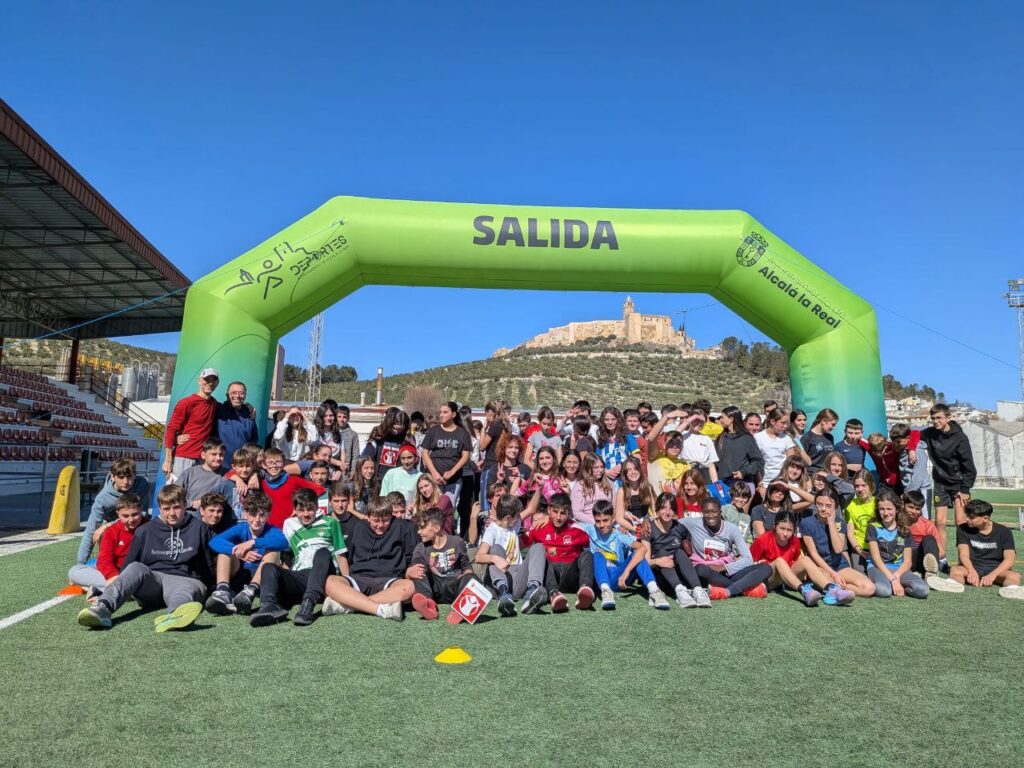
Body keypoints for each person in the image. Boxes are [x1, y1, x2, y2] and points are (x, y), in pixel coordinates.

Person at [76, 484, 212, 632]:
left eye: (176, 507)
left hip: (185, 579)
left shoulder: (199, 527)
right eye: (166, 509)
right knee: (135, 567)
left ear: (185, 505)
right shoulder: (145, 531)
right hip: (153, 582)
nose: (172, 513)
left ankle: (175, 615)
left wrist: (216, 590)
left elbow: (210, 563)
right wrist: (115, 589)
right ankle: (103, 608)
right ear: (160, 509)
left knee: (184, 592)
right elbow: (128, 568)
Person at [321, 497, 422, 621]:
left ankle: (349, 606)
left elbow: (410, 556)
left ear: (391, 516)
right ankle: (379, 609)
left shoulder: (404, 527)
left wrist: (410, 570)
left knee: (410, 587)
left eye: (386, 520)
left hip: (389, 580)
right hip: (358, 579)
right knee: (328, 581)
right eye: (376, 521)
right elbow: (350, 557)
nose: (380, 525)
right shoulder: (359, 527)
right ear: (367, 517)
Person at [204, 489, 289, 615]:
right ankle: (223, 591)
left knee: (273, 552)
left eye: (262, 515)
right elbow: (214, 542)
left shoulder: (272, 530)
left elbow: (283, 542)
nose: (257, 519)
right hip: (241, 572)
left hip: (262, 576)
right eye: (253, 514)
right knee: (224, 553)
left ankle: (251, 591)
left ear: (268, 515)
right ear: (245, 514)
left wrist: (253, 543)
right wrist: (238, 551)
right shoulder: (241, 528)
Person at [750, 510, 856, 606]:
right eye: (782, 529)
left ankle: (831, 590)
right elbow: (749, 565)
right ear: (774, 526)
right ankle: (804, 591)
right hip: (770, 580)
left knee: (805, 559)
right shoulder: (762, 540)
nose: (785, 533)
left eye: (789, 530)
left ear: (794, 530)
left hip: (787, 580)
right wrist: (758, 564)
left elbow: (796, 560)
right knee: (780, 561)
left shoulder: (795, 541)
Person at [681, 498, 772, 600]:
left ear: (720, 512)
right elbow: (672, 523)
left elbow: (748, 559)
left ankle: (727, 591)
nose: (710, 515)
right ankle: (744, 588)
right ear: (702, 513)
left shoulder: (732, 529)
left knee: (766, 568)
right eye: (706, 512)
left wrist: (723, 567)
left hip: (727, 571)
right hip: (707, 571)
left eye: (714, 511)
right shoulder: (693, 523)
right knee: (700, 570)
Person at [580, 500, 664, 610]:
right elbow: (570, 523)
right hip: (599, 578)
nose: (602, 525)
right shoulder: (590, 529)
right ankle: (606, 591)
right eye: (598, 521)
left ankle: (654, 590)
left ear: (613, 518)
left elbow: (642, 548)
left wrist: (626, 572)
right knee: (597, 555)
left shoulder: (619, 535)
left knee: (638, 555)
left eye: (605, 520)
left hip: (619, 577)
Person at [520, 491, 595, 613]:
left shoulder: (578, 529)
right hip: (548, 575)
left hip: (570, 576)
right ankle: (554, 594)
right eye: (555, 512)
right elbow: (519, 545)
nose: (559, 517)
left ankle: (585, 589)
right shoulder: (538, 527)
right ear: (549, 510)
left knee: (587, 554)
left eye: (563, 513)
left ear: (569, 513)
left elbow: (591, 547)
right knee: (543, 557)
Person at [798, 489, 875, 598]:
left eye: (828, 505)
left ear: (835, 506)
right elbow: (813, 554)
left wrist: (831, 523)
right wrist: (833, 574)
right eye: (819, 504)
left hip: (839, 565)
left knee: (869, 588)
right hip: (820, 566)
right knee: (830, 583)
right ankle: (831, 588)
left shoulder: (840, 522)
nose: (823, 509)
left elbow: (838, 549)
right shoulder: (807, 522)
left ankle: (834, 588)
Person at [75, 458, 151, 566]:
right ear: (112, 477)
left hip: (136, 522)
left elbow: (143, 515)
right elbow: (90, 530)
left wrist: (106, 525)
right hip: (114, 527)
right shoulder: (103, 499)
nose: (126, 482)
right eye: (121, 477)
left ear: (135, 475)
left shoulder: (142, 484)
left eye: (129, 476)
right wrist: (80, 564)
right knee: (100, 533)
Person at [476, 493, 541, 617]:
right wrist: (495, 559)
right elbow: (479, 556)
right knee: (496, 548)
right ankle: (503, 594)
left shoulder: (513, 524)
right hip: (501, 577)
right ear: (508, 518)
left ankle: (532, 590)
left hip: (517, 579)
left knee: (538, 547)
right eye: (517, 516)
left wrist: (540, 487)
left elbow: (531, 509)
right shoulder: (492, 530)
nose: (519, 519)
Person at [68, 493, 146, 594]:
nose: (131, 520)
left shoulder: (149, 527)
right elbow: (105, 559)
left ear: (141, 510)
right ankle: (119, 588)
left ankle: (111, 589)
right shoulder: (111, 531)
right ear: (118, 514)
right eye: (125, 516)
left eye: (135, 514)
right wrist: (112, 576)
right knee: (74, 571)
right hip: (117, 573)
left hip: (140, 575)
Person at [408, 508, 475, 624]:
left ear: (437, 528)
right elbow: (415, 571)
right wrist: (410, 571)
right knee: (418, 569)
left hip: (454, 586)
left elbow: (467, 566)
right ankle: (428, 604)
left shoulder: (457, 542)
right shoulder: (421, 548)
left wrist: (467, 575)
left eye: (422, 528)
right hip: (434, 588)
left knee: (472, 577)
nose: (419, 531)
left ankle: (461, 608)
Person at [639, 493, 707, 608]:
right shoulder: (648, 529)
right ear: (657, 510)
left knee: (679, 552)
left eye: (671, 508)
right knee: (662, 552)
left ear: (675, 511)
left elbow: (690, 552)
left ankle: (698, 590)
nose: (667, 512)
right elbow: (644, 562)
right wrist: (658, 561)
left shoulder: (680, 528)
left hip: (679, 572)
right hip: (660, 575)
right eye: (663, 508)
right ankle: (680, 592)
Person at [920, 403, 977, 530]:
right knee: (939, 522)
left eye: (939, 418)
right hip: (940, 482)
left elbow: (969, 466)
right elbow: (912, 435)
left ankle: (964, 544)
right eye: (933, 418)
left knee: (960, 521)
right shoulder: (929, 433)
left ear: (948, 418)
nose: (935, 421)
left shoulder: (960, 438)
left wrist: (965, 489)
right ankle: (940, 545)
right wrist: (912, 450)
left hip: (959, 483)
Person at [950, 499, 1022, 598]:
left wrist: (993, 574)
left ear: (985, 518)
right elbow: (963, 554)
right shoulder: (962, 528)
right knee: (955, 570)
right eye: (967, 515)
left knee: (1014, 576)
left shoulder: (1004, 532)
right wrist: (971, 570)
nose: (967, 519)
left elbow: (1009, 559)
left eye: (971, 517)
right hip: (972, 566)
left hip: (997, 568)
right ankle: (953, 584)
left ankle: (1012, 590)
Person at [865, 491, 929, 599]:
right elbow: (876, 559)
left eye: (889, 509)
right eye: (882, 509)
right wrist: (893, 580)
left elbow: (908, 561)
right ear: (877, 510)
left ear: (897, 509)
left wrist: (897, 575)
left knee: (923, 590)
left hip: (898, 569)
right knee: (884, 591)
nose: (886, 513)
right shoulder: (873, 527)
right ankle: (883, 582)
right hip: (878, 567)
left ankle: (900, 585)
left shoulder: (905, 530)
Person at [163, 368, 220, 479]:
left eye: (213, 380)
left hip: (202, 460)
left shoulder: (214, 404)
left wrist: (248, 407)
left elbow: (231, 407)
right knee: (178, 490)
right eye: (207, 379)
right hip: (183, 457)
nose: (210, 383)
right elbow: (171, 429)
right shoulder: (187, 403)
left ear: (217, 383)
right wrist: (168, 461)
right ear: (199, 381)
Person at [902, 490, 961, 593]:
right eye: (910, 507)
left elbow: (941, 552)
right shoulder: (896, 521)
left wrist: (928, 552)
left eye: (917, 509)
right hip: (902, 559)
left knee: (929, 538)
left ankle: (931, 574)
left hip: (920, 560)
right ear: (903, 505)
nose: (914, 511)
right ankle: (915, 574)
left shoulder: (927, 524)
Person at [419, 401, 472, 507]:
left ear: (453, 414)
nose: (441, 415)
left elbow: (465, 456)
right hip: (434, 479)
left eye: (445, 412)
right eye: (440, 412)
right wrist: (434, 473)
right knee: (433, 508)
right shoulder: (433, 431)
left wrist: (452, 472)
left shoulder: (462, 433)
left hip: (453, 480)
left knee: (448, 508)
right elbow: (424, 453)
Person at [259, 448, 326, 529]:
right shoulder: (262, 483)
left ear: (284, 463)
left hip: (291, 526)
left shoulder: (293, 480)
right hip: (269, 528)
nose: (274, 465)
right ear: (264, 465)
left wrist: (300, 507)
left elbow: (320, 490)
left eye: (278, 462)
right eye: (270, 462)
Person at [714, 405, 764, 490]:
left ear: (731, 419)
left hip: (742, 485)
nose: (720, 420)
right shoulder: (721, 438)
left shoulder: (746, 438)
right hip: (722, 485)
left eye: (723, 417)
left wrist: (743, 472)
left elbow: (759, 461)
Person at [176, 437, 232, 510]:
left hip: (216, 515)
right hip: (191, 514)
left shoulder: (228, 474)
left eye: (221, 454)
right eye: (214, 454)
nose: (218, 458)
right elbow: (173, 496)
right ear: (203, 455)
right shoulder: (190, 473)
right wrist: (191, 504)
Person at [215, 381, 258, 468]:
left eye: (241, 393)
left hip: (243, 467)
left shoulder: (249, 414)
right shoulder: (218, 411)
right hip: (222, 465)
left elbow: (254, 440)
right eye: (233, 393)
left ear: (245, 395)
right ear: (227, 395)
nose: (237, 396)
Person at [754, 409, 797, 493]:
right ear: (772, 421)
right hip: (765, 482)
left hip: (783, 482)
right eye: (782, 423)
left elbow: (791, 461)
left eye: (786, 423)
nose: (785, 426)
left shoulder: (786, 439)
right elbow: (755, 463)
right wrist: (761, 484)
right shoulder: (758, 438)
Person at [594, 406, 639, 487]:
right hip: (605, 480)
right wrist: (605, 471)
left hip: (624, 479)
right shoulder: (601, 437)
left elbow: (637, 457)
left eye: (613, 419)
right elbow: (596, 459)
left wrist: (622, 466)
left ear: (618, 420)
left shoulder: (627, 435)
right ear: (602, 421)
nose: (610, 422)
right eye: (606, 419)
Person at [893, 423, 932, 516]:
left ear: (908, 438)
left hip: (921, 490)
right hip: (909, 490)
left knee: (924, 518)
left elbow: (918, 477)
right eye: (894, 441)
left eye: (898, 441)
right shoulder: (902, 450)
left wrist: (906, 493)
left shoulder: (917, 452)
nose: (895, 444)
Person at [844, 469, 877, 571]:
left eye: (863, 485)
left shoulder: (878, 503)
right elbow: (850, 532)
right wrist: (859, 550)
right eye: (857, 486)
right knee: (860, 575)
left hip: (877, 547)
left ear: (871, 485)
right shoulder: (850, 505)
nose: (860, 489)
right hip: (859, 547)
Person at [571, 452, 614, 526]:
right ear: (588, 468)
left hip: (608, 522)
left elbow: (615, 507)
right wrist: (597, 522)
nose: (600, 470)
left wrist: (609, 521)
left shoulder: (609, 484)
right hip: (588, 523)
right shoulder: (580, 486)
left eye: (602, 467)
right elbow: (577, 513)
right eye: (596, 467)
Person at [613, 456, 655, 532]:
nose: (633, 472)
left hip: (645, 523)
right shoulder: (622, 491)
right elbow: (619, 519)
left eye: (635, 468)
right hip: (629, 526)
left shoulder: (647, 487)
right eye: (629, 470)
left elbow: (654, 512)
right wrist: (637, 529)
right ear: (625, 474)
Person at [335, 404, 360, 478]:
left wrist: (352, 473)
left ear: (348, 418)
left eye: (344, 417)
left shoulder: (353, 435)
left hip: (345, 472)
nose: (342, 420)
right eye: (339, 417)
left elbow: (355, 455)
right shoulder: (330, 432)